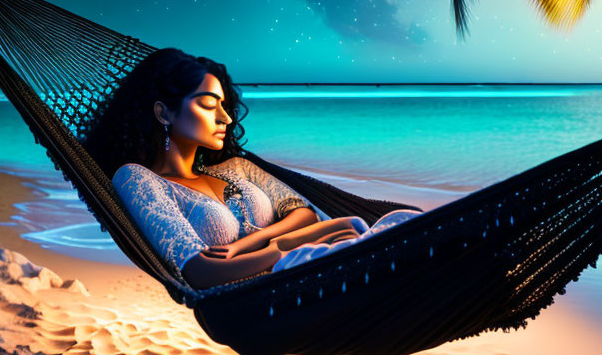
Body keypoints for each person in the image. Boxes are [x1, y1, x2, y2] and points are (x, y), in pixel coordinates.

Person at [81, 48, 420, 290]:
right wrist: (279, 251)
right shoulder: (138, 179)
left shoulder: (237, 168)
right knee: (362, 234)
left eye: (225, 106)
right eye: (208, 104)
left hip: (311, 263)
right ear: (164, 113)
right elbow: (198, 272)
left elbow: (305, 214)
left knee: (377, 222)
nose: (225, 118)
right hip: (269, 292)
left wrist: (247, 245)